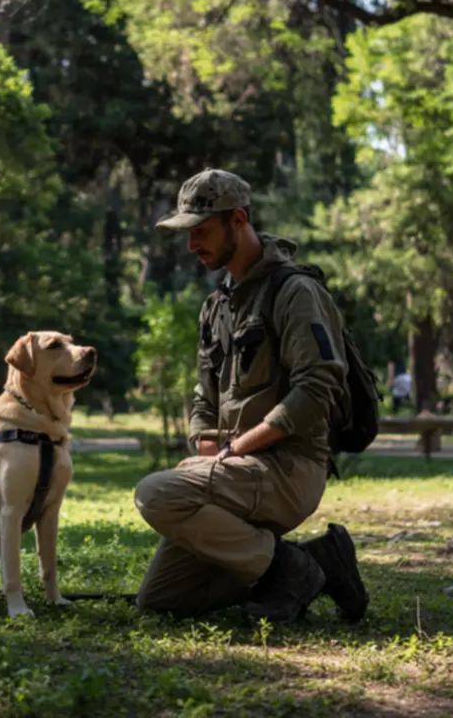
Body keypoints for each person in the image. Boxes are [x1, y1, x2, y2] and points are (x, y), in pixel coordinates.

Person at [133, 168, 368, 624]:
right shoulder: (217, 304)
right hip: (234, 471)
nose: (191, 245)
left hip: (289, 468)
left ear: (238, 220)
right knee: (163, 599)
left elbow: (319, 384)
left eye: (201, 232)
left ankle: (289, 569)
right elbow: (205, 396)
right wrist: (206, 449)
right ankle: (318, 564)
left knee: (154, 494)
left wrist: (233, 451)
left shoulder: (294, 292)